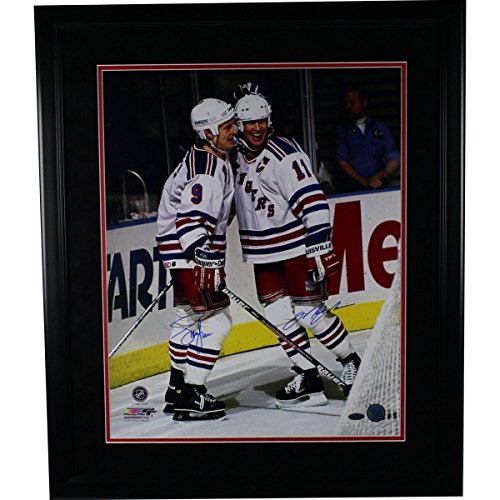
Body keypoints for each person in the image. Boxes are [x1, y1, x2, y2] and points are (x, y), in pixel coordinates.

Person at [232, 94, 361, 408]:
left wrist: (319, 244)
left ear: (269, 120)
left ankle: (352, 363)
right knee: (277, 316)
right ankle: (308, 376)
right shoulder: (235, 157)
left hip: (296, 248)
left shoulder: (284, 153)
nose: (257, 128)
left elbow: (312, 199)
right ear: (239, 125)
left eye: (262, 121)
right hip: (263, 254)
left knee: (309, 313)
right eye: (250, 123)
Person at [156, 98, 237, 421]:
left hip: (178, 252)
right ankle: (193, 393)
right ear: (208, 132)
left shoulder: (206, 158)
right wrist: (203, 257)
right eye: (227, 127)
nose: (235, 131)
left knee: (188, 317)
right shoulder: (208, 170)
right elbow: (190, 220)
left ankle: (177, 388)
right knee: (218, 320)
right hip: (191, 252)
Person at [335, 86, 400, 193]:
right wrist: (365, 183)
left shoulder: (379, 127)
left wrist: (383, 175)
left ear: (364, 103)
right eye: (346, 103)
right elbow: (342, 161)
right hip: (352, 189)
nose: (348, 106)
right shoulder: (342, 130)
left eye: (352, 103)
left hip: (380, 186)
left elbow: (394, 157)